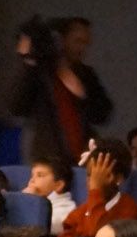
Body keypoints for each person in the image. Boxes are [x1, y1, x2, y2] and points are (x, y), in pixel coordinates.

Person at [11, 14, 113, 163]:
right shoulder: (36, 72)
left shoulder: (86, 75)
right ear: (61, 40)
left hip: (80, 159)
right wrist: (30, 61)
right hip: (45, 161)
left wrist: (79, 89)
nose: (82, 48)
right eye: (78, 41)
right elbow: (16, 107)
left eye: (86, 43)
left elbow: (102, 115)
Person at [61, 139, 137, 237]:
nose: (92, 182)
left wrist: (96, 190)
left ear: (118, 179)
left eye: (98, 176)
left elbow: (96, 234)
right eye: (90, 175)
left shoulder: (129, 208)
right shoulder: (82, 210)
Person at [24, 155, 77, 229]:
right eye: (32, 176)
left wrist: (27, 202)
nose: (32, 180)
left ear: (58, 185)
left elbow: (41, 227)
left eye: (40, 175)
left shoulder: (67, 208)